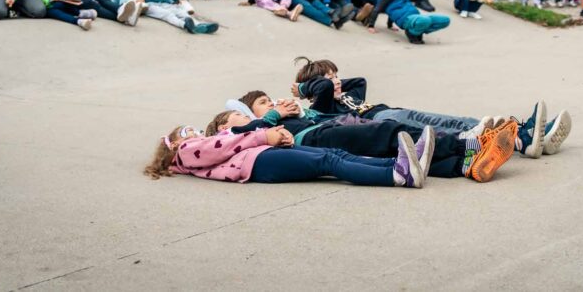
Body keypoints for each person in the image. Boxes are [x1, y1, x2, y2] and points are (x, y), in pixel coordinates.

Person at [292, 58, 572, 159]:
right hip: (381, 119)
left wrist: (335, 80)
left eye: (337, 75)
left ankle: (523, 135)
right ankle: (521, 138)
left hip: (390, 111)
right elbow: (324, 88)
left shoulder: (347, 94)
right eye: (329, 78)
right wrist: (305, 87)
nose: (336, 81)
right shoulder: (324, 105)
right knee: (445, 128)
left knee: (454, 121)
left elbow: (360, 81)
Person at [231, 91, 513, 183]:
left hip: (325, 130)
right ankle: (469, 144)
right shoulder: (253, 127)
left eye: (270, 100)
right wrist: (275, 114)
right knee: (387, 133)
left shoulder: (289, 115)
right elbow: (247, 131)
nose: (272, 103)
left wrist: (299, 110)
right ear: (250, 113)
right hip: (317, 138)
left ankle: (464, 165)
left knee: (394, 152)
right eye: (263, 103)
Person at [145, 122, 426, 189]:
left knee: (334, 153)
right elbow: (224, 147)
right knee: (328, 162)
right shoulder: (187, 151)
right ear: (174, 145)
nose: (194, 132)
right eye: (186, 131)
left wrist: (276, 136)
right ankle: (397, 175)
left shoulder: (194, 146)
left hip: (262, 153)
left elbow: (231, 142)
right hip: (257, 163)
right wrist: (263, 136)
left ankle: (399, 163)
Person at [367, 0, 450, 44]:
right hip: (406, 20)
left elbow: (393, 10)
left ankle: (419, 30)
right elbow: (377, 9)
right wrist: (371, 26)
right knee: (425, 20)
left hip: (415, 16)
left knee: (445, 20)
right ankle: (411, 33)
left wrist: (389, 25)